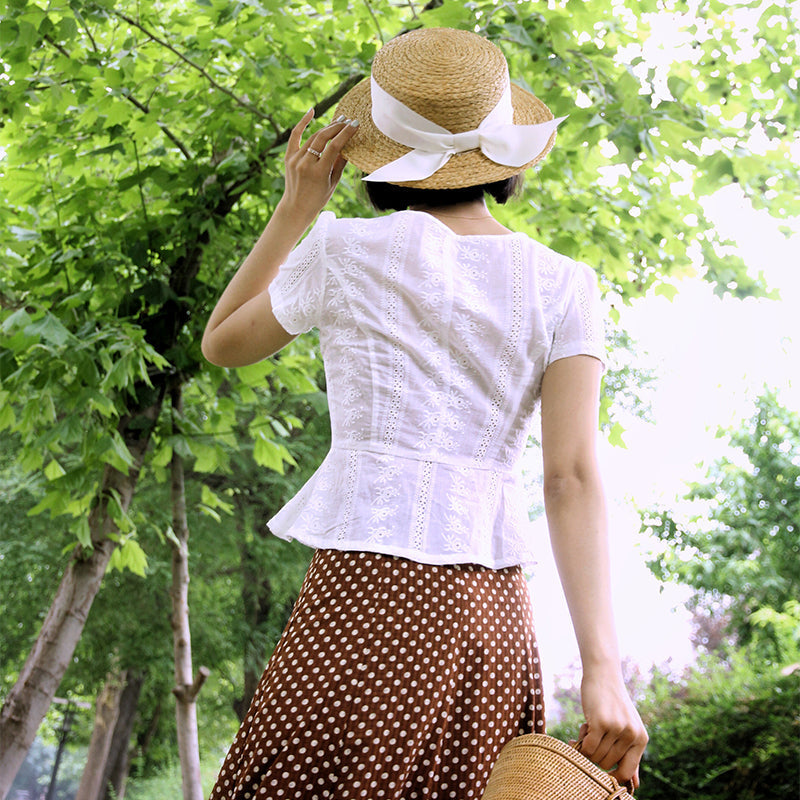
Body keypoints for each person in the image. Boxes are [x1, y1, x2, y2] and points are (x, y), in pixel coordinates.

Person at [202, 27, 648, 800]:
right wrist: (603, 672)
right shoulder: (565, 284)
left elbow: (221, 343)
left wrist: (295, 207)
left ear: (379, 158)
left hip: (360, 601)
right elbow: (571, 477)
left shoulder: (340, 251)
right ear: (502, 159)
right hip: (487, 616)